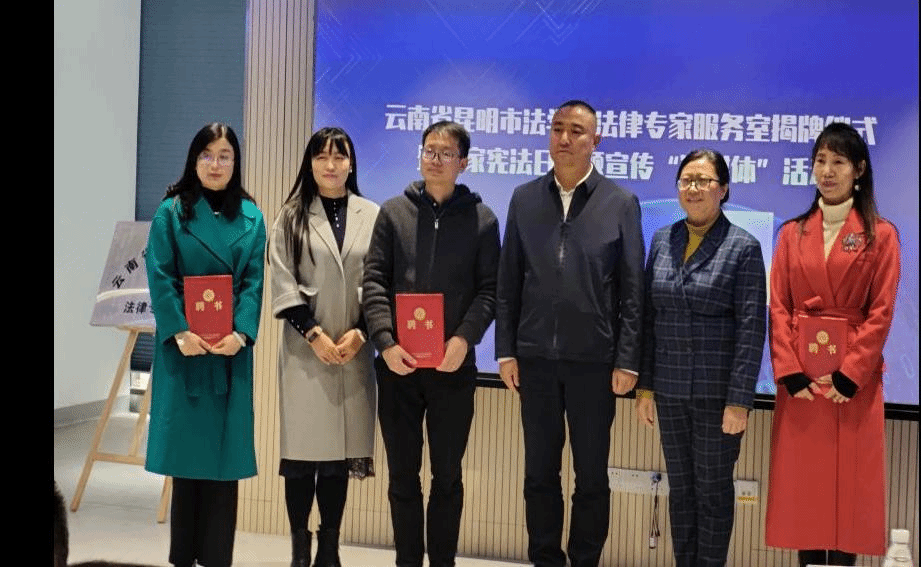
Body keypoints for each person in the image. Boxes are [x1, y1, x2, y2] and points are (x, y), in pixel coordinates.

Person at [495, 100, 644, 567]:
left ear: (595, 141)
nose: (564, 138)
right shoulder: (524, 198)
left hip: (594, 363)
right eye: (557, 128)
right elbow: (508, 280)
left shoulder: (620, 203)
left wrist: (628, 359)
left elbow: (632, 291)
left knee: (591, 477)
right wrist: (506, 350)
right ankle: (544, 558)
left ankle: (585, 561)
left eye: (576, 130)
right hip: (535, 360)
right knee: (539, 474)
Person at [362, 120, 500, 567]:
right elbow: (374, 282)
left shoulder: (483, 220)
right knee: (402, 477)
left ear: (464, 162)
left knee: (447, 477)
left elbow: (489, 291)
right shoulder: (393, 212)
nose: (435, 160)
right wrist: (385, 342)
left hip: (452, 369)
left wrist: (464, 340)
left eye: (446, 153)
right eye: (429, 151)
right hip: (398, 368)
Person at [765, 123, 900, 566]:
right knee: (805, 492)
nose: (827, 170)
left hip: (851, 384)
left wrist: (850, 374)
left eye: (838, 161)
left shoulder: (880, 235)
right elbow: (779, 307)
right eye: (820, 161)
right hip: (803, 381)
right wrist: (788, 370)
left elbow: (881, 311)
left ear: (858, 169)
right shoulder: (792, 233)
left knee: (849, 493)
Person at [635, 149, 766, 567]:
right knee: (681, 490)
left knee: (712, 492)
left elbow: (751, 330)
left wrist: (739, 400)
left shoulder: (743, 247)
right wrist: (645, 387)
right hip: (670, 391)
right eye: (686, 180)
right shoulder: (663, 239)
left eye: (703, 180)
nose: (693, 188)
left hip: (717, 396)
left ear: (723, 189)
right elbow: (649, 318)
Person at [145, 123, 266, 567]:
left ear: (236, 163)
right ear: (193, 161)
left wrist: (242, 333)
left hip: (229, 354)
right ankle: (182, 557)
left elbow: (254, 282)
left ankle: (217, 557)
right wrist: (179, 331)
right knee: (187, 464)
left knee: (223, 463)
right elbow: (160, 276)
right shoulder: (171, 213)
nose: (216, 164)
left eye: (224, 156)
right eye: (207, 155)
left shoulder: (252, 217)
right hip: (185, 353)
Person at [268, 127, 379, 567]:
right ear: (309, 163)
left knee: (337, 457)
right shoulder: (290, 216)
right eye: (321, 157)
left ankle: (329, 551)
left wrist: (362, 332)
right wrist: (313, 334)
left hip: (354, 352)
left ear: (352, 163)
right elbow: (282, 280)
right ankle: (300, 551)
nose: (330, 165)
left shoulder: (373, 215)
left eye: (339, 156)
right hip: (304, 354)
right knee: (301, 455)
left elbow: (383, 282)